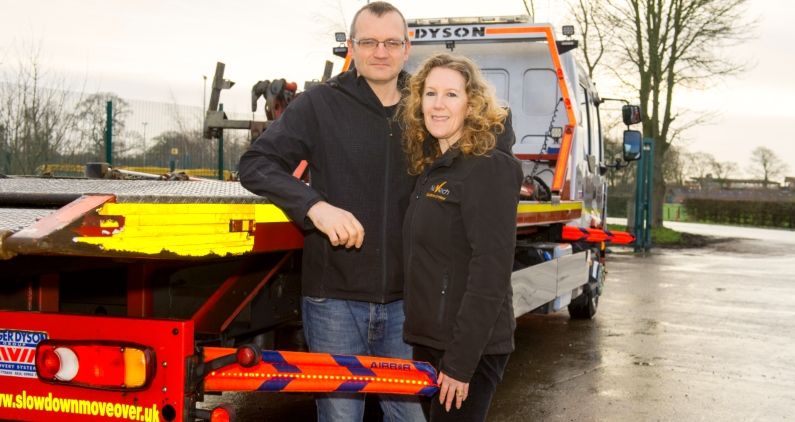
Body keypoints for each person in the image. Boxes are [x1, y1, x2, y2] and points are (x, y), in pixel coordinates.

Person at [238, 2, 425, 421]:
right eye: (369, 42)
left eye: (392, 42)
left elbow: (486, 129)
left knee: (408, 416)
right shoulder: (320, 104)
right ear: (352, 47)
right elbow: (255, 165)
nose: (381, 52)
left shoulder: (426, 106)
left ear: (407, 47)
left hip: (405, 301)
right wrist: (314, 206)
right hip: (334, 300)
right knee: (340, 416)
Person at [399, 53, 523, 421]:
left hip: (469, 347)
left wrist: (460, 363)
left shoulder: (488, 167)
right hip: (432, 341)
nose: (438, 104)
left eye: (451, 95)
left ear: (472, 104)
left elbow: (491, 271)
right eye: (430, 93)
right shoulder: (435, 167)